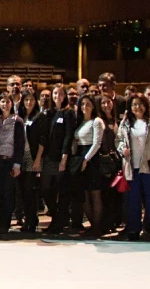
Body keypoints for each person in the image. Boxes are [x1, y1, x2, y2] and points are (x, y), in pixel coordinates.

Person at [117, 93, 150, 241]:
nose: (137, 107)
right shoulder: (126, 123)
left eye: (140, 104)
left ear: (145, 106)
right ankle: (133, 229)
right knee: (133, 200)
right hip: (132, 167)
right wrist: (122, 149)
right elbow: (118, 140)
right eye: (134, 105)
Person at [69, 94, 104, 236]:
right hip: (80, 158)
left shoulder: (97, 121)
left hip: (92, 159)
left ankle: (97, 227)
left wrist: (86, 159)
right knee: (83, 196)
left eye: (88, 104)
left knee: (95, 194)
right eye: (82, 104)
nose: (85, 107)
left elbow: (97, 143)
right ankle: (92, 225)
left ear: (93, 105)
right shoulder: (80, 122)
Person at [42, 84, 75, 233]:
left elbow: (69, 136)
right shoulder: (50, 113)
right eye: (55, 93)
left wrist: (64, 157)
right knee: (46, 190)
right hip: (48, 157)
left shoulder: (68, 113)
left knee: (61, 191)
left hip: (61, 158)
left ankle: (59, 222)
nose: (57, 96)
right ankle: (56, 217)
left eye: (61, 94)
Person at [0, 93, 25, 234]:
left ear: (11, 104)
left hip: (10, 161)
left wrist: (17, 164)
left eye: (7, 101)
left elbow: (20, 144)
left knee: (8, 193)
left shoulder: (17, 121)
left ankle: (5, 223)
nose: (4, 104)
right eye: (2, 102)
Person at [20, 91, 46, 233]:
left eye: (31, 100)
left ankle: (32, 220)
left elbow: (43, 139)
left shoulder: (39, 116)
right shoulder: (21, 116)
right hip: (20, 157)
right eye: (26, 100)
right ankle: (28, 219)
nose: (29, 102)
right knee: (23, 191)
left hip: (33, 157)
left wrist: (37, 159)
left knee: (30, 191)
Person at [98, 95, 122, 233]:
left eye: (109, 102)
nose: (106, 105)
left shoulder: (118, 120)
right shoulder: (100, 121)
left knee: (117, 194)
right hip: (105, 161)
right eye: (103, 103)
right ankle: (106, 223)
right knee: (106, 194)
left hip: (118, 161)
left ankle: (116, 221)